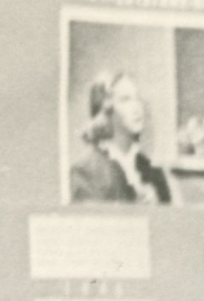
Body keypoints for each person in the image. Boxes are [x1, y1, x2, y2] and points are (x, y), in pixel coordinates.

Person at [69, 73, 173, 205]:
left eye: (138, 99)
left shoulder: (154, 173)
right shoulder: (85, 171)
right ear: (106, 109)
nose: (137, 107)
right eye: (125, 99)